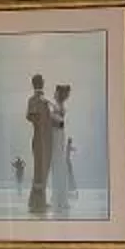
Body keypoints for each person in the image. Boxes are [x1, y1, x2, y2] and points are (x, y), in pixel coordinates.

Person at [24, 74, 60, 217]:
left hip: (47, 139)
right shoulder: (34, 100)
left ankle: (39, 200)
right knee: (39, 169)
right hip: (40, 139)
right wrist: (40, 122)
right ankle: (36, 202)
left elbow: (49, 119)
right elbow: (31, 116)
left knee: (44, 169)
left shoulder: (45, 101)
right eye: (40, 81)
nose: (41, 83)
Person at [50, 83, 78, 216]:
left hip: (59, 136)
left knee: (60, 167)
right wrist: (59, 121)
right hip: (56, 136)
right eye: (66, 94)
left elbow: (59, 121)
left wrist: (59, 121)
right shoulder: (55, 107)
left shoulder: (57, 106)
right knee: (58, 166)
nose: (67, 96)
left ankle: (60, 198)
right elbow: (54, 121)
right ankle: (59, 199)